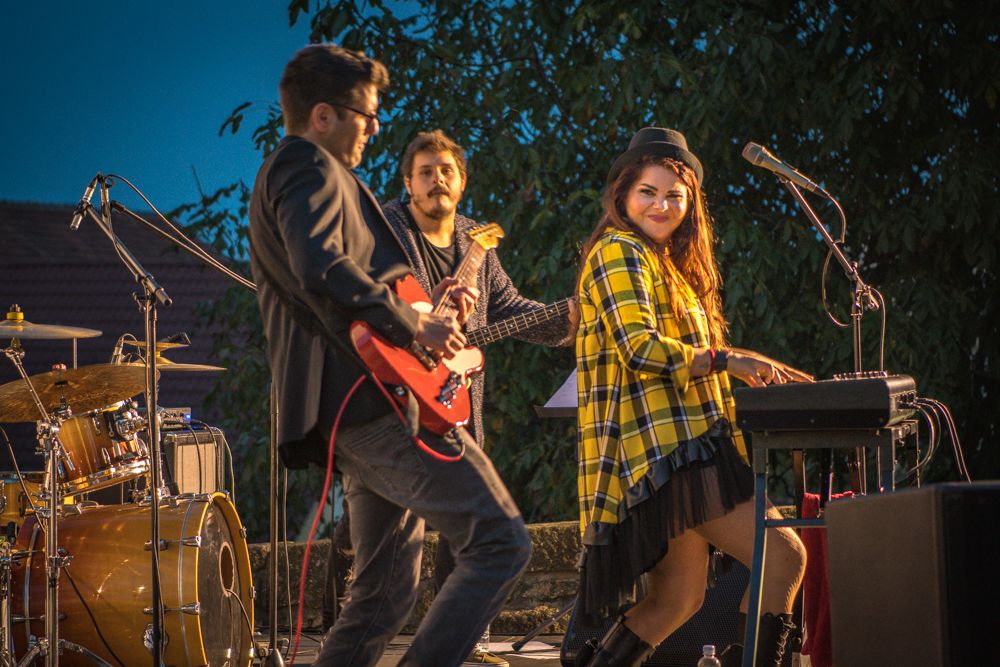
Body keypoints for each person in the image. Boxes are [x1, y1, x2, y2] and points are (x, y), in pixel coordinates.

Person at [248, 44, 531, 667]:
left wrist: (423, 307)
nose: (374, 128)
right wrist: (414, 324)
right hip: (370, 403)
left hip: (358, 406)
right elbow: (321, 266)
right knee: (501, 541)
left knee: (384, 594)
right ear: (324, 115)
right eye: (366, 114)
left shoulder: (299, 171)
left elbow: (345, 278)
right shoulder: (306, 163)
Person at [326, 129, 573, 666]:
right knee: (400, 577)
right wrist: (422, 315)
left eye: (446, 171)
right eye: (425, 171)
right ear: (408, 183)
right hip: (386, 407)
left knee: (410, 577)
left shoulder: (475, 244)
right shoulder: (384, 231)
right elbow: (363, 297)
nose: (436, 179)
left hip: (451, 405)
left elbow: (510, 309)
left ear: (462, 182)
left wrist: (570, 319)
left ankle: (466, 643)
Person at [572, 128, 809, 667]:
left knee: (678, 599)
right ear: (623, 196)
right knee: (783, 556)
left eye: (673, 195)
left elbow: (688, 353)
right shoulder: (619, 250)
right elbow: (639, 347)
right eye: (647, 192)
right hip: (668, 453)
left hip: (679, 448)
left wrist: (752, 364)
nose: (661, 205)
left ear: (691, 203)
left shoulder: (664, 264)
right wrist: (728, 361)